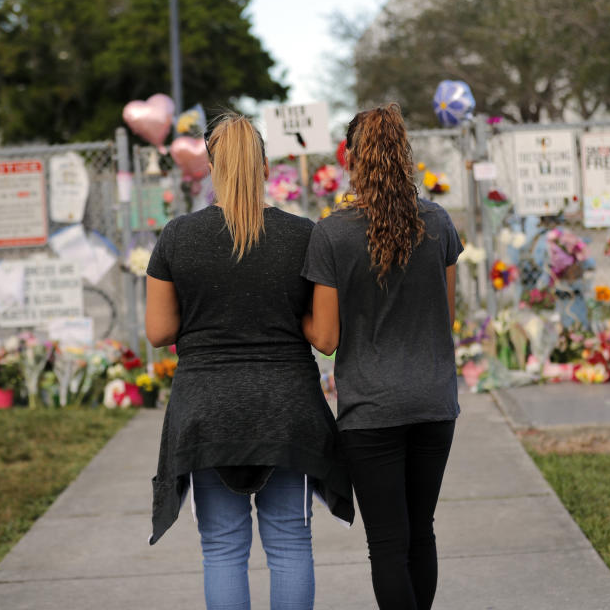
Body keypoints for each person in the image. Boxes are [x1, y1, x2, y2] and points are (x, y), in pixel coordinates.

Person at [145, 114, 354, 610]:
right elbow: (326, 335)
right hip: (287, 410)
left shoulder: (177, 237)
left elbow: (159, 331)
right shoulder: (304, 235)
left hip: (206, 412)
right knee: (289, 546)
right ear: (264, 167)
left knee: (222, 550)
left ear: (212, 168)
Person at [301, 103, 463, 610]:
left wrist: (290, 314)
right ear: (404, 155)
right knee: (422, 534)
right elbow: (447, 315)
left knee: (388, 545)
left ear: (350, 158)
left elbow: (324, 338)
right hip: (434, 403)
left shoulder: (332, 233)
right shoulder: (438, 223)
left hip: (371, 411)